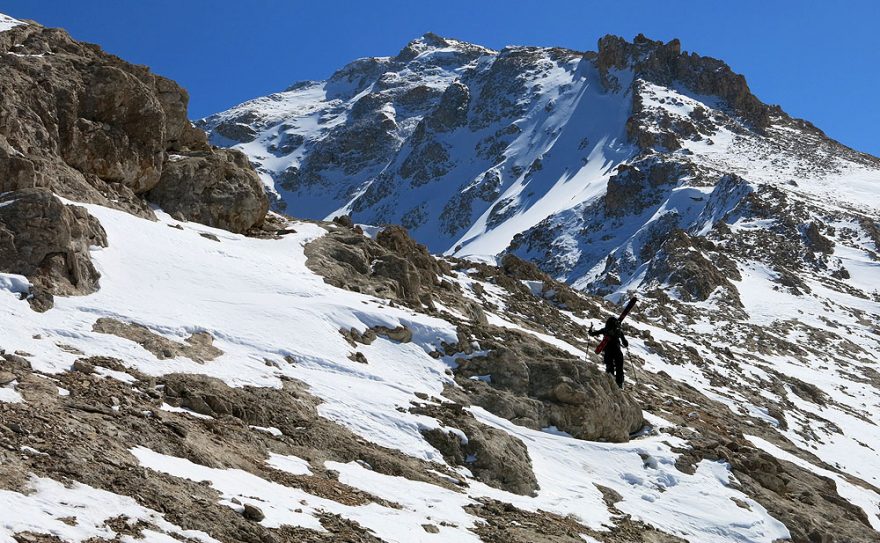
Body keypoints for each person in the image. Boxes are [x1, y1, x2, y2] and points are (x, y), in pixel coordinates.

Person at [589, 316, 629, 389]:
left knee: (609, 368)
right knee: (619, 368)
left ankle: (610, 385)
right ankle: (620, 385)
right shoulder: (618, 331)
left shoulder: (605, 330)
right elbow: (625, 344)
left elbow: (592, 334)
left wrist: (590, 331)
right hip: (617, 352)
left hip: (608, 352)